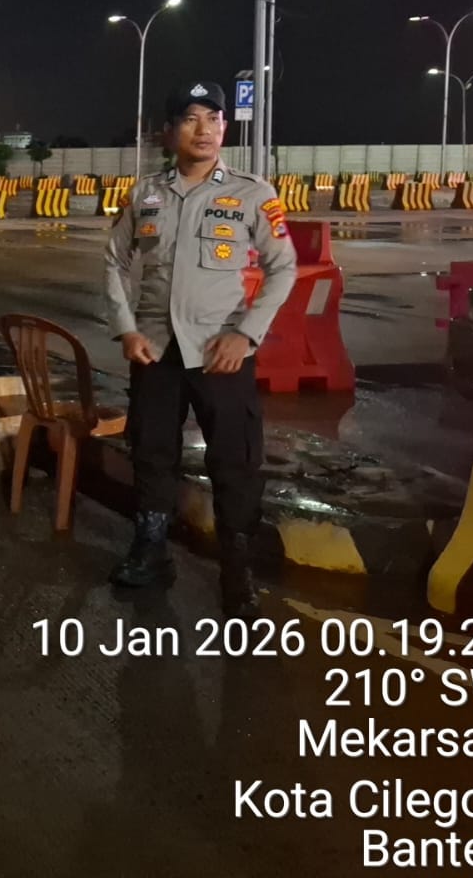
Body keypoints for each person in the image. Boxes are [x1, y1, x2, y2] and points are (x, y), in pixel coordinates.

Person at [101, 81, 297, 619]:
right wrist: (126, 328)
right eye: (191, 119)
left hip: (221, 352)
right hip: (156, 351)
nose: (205, 129)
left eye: (214, 119)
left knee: (235, 460)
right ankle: (150, 550)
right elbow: (114, 261)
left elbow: (283, 268)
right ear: (169, 131)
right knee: (151, 453)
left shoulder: (252, 193)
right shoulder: (145, 193)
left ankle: (237, 568)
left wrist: (246, 334)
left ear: (225, 128)